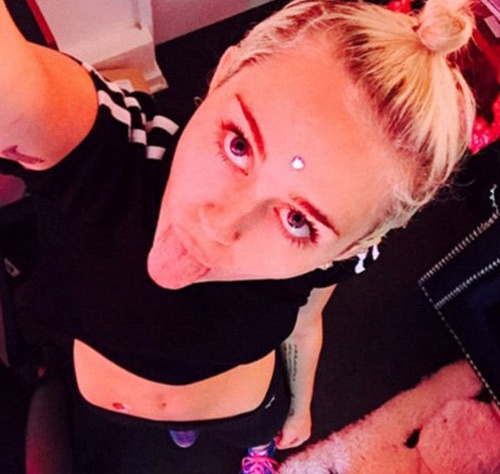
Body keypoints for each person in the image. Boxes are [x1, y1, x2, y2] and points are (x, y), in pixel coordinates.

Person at [0, 0, 477, 473]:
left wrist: (298, 408)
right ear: (225, 73)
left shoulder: (332, 260)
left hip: (242, 412)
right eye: (238, 144)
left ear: (348, 249)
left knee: (252, 437)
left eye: (297, 220)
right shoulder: (108, 151)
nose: (217, 225)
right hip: (107, 407)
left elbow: (305, 324)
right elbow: (17, 91)